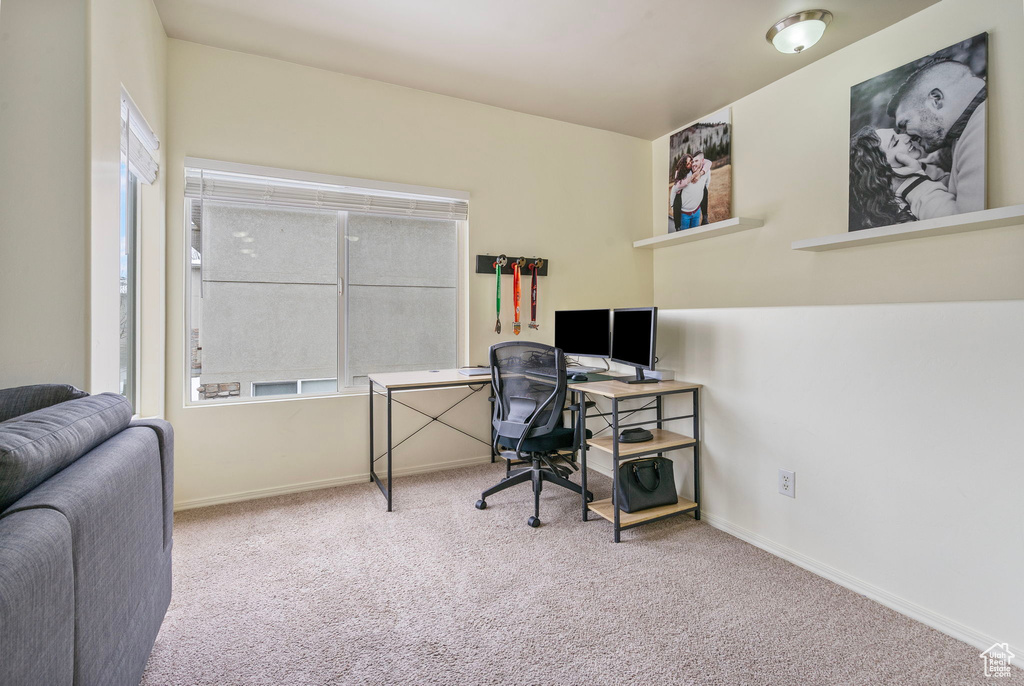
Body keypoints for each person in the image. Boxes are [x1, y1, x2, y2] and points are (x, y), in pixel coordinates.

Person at [888, 59, 986, 219]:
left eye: (905, 123)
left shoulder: (982, 129)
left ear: (936, 99)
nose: (906, 136)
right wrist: (924, 167)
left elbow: (966, 226)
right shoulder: (965, 128)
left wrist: (910, 184)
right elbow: (946, 158)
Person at [671, 150, 711, 229]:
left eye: (694, 161)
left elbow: (709, 162)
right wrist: (673, 206)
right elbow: (675, 189)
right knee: (683, 237)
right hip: (684, 214)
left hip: (696, 212)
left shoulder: (705, 171)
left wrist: (700, 173)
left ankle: (705, 216)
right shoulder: (684, 175)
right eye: (690, 163)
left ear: (702, 161)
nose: (692, 164)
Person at [669, 155, 691, 231]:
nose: (690, 164)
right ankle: (678, 227)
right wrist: (672, 205)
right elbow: (677, 187)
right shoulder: (679, 173)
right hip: (678, 195)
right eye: (688, 163)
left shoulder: (691, 171)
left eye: (691, 161)